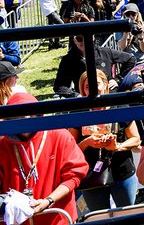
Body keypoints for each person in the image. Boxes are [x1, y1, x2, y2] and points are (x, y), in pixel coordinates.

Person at [0, 93, 90, 225]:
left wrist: (49, 200)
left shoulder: (59, 135)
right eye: (19, 116)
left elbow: (74, 175)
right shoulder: (3, 146)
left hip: (57, 219)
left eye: (30, 114)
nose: (25, 119)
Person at [69, 70, 141, 212]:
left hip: (122, 172)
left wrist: (117, 146)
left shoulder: (119, 107)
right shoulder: (78, 113)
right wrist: (87, 143)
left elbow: (136, 139)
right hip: (90, 176)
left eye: (96, 84)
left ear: (106, 84)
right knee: (99, 217)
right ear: (82, 89)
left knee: (128, 215)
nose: (93, 90)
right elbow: (69, 149)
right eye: (88, 87)